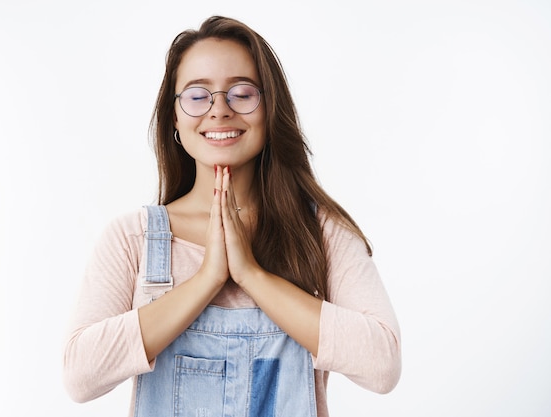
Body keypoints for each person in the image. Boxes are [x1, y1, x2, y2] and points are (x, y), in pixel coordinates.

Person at [63, 15, 401, 417]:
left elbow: (383, 366)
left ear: (270, 108)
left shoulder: (321, 232)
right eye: (196, 95)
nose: (219, 110)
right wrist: (208, 279)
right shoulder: (133, 238)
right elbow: (80, 376)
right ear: (174, 117)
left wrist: (252, 275)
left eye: (241, 93)